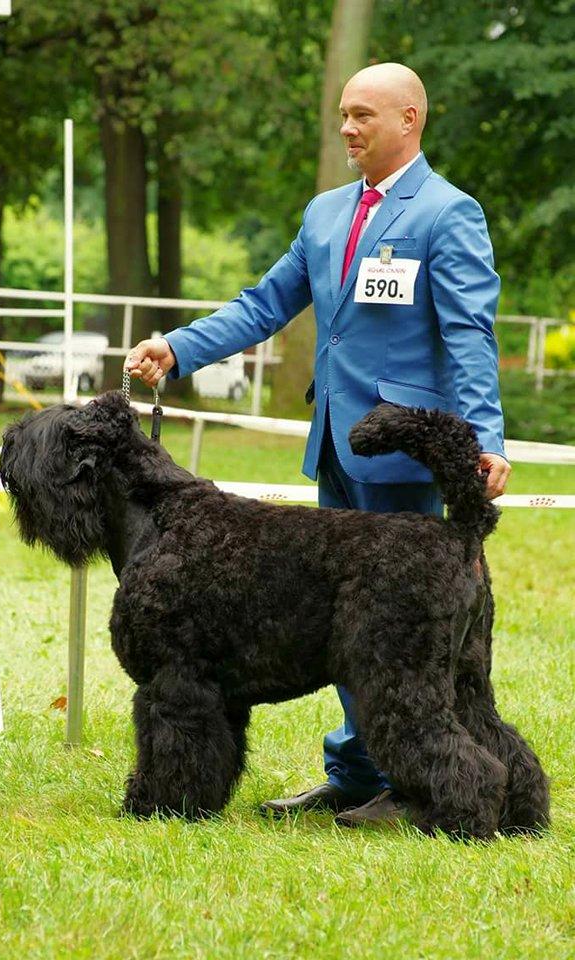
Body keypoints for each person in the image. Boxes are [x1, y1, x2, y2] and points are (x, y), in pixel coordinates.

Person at [125, 61, 511, 828]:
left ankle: (415, 786)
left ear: (410, 121)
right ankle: (356, 773)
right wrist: (179, 348)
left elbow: (469, 335)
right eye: (342, 113)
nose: (347, 128)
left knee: (405, 635)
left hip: (404, 455)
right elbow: (264, 305)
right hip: (335, 442)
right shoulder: (326, 214)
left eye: (363, 114)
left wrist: (484, 439)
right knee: (345, 623)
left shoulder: (447, 213)